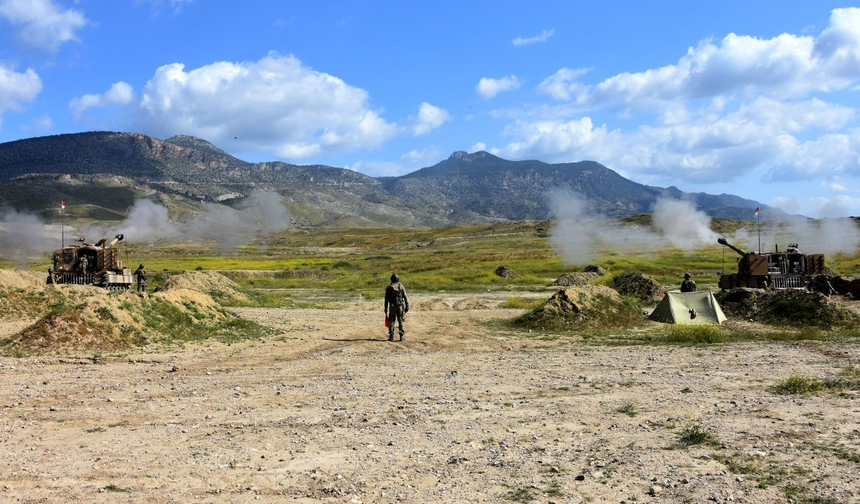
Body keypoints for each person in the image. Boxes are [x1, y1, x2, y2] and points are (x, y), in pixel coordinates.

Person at [384, 273, 409, 342]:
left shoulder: (389, 287)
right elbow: (405, 296)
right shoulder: (401, 287)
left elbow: (386, 299)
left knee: (391, 321)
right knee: (400, 320)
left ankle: (391, 336)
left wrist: (385, 308)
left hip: (392, 306)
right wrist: (407, 306)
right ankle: (401, 337)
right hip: (400, 306)